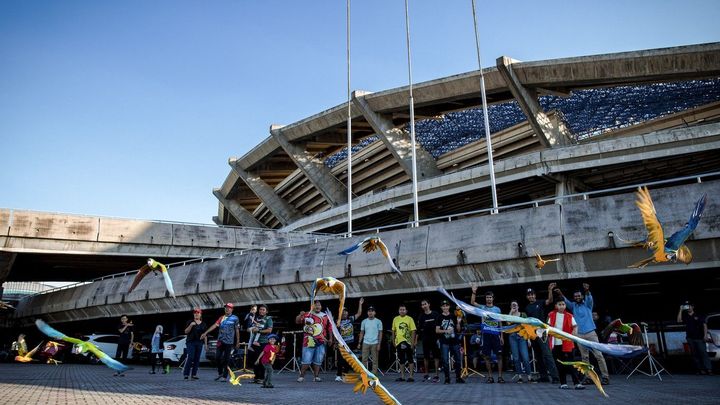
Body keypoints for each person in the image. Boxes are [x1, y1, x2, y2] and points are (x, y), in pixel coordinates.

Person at [557, 283, 610, 385]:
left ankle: (605, 377)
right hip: (580, 335)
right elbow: (566, 301)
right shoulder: (573, 306)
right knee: (584, 358)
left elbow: (589, 297)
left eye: (579, 295)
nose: (577, 297)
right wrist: (560, 293)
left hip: (591, 333)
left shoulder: (588, 304)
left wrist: (587, 290)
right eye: (575, 296)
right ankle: (588, 378)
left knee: (598, 355)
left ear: (582, 296)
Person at [525, 285, 560, 384]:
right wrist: (528, 336)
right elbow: (527, 323)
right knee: (538, 356)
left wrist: (549, 290)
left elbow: (550, 300)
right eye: (529, 295)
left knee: (547, 354)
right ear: (527, 297)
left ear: (535, 295)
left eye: (532, 294)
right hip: (533, 333)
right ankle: (544, 376)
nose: (531, 296)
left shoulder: (540, 302)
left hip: (542, 331)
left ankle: (555, 377)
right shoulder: (527, 307)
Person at [548, 300, 585, 390]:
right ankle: (563, 383)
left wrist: (573, 335)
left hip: (567, 343)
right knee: (560, 365)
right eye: (559, 304)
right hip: (556, 344)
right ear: (556, 305)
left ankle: (577, 383)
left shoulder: (569, 315)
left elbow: (575, 326)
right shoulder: (551, 315)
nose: (562, 306)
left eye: (563, 304)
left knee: (571, 364)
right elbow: (548, 327)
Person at [470, 285, 504, 383]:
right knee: (487, 356)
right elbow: (472, 303)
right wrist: (474, 292)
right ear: (485, 299)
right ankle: (490, 377)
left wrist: (502, 336)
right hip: (486, 335)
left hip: (496, 334)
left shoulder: (497, 309)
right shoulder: (482, 307)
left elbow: (500, 322)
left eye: (490, 297)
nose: (488, 299)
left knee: (499, 356)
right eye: (487, 297)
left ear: (493, 298)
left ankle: (500, 377)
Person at [201, 303, 240, 382]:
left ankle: (225, 376)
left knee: (226, 359)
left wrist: (238, 342)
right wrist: (205, 333)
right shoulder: (221, 318)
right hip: (220, 341)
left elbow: (237, 330)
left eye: (229, 308)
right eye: (226, 307)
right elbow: (214, 325)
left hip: (229, 342)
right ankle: (220, 373)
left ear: (232, 309)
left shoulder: (235, 318)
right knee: (217, 357)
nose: (227, 309)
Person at [296, 300, 332, 382]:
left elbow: (330, 328)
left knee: (318, 360)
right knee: (306, 360)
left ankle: (316, 377)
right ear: (312, 306)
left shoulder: (325, 316)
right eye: (315, 305)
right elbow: (297, 321)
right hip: (308, 341)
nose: (317, 306)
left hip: (321, 341)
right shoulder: (307, 314)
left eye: (319, 305)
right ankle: (301, 376)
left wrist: (330, 339)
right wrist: (300, 315)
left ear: (321, 306)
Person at [677, 302, 713, 375]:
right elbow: (678, 320)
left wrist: (705, 335)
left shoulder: (698, 315)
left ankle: (709, 369)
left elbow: (704, 325)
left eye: (689, 306)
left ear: (693, 307)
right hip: (690, 338)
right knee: (695, 354)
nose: (688, 308)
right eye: (687, 306)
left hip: (699, 337)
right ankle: (700, 369)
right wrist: (680, 310)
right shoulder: (686, 316)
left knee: (703, 353)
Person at [436, 300, 465, 384]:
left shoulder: (454, 315)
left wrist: (459, 322)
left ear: (449, 306)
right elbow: (437, 330)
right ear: (441, 307)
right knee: (445, 360)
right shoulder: (439, 317)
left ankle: (458, 377)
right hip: (444, 341)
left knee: (458, 359)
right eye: (443, 306)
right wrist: (446, 331)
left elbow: (458, 330)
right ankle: (447, 378)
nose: (445, 307)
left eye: (446, 305)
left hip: (454, 341)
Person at [335, 297, 364, 382]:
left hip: (350, 343)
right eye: (342, 311)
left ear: (347, 313)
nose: (344, 312)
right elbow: (334, 332)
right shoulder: (337, 321)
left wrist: (360, 304)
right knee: (340, 360)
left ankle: (345, 374)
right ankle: (338, 375)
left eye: (345, 311)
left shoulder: (350, 319)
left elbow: (359, 313)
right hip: (341, 343)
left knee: (349, 359)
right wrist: (335, 342)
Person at [391, 303, 417, 382]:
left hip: (408, 342)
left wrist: (412, 343)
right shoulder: (395, 319)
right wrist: (393, 341)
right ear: (398, 311)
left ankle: (411, 376)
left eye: (403, 310)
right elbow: (393, 330)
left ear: (406, 311)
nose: (402, 311)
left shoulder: (409, 319)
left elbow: (413, 331)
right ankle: (402, 376)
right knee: (401, 359)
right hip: (399, 342)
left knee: (410, 359)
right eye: (400, 310)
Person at [417, 299, 441, 383]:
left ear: (429, 304)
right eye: (422, 305)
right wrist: (416, 340)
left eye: (425, 304)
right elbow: (419, 329)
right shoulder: (421, 316)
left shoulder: (436, 314)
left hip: (435, 339)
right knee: (426, 357)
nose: (424, 306)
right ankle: (426, 374)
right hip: (425, 339)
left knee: (436, 357)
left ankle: (436, 375)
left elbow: (439, 326)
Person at [249, 304, 273, 383]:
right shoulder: (256, 318)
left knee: (261, 360)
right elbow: (250, 328)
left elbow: (269, 330)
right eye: (260, 309)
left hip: (263, 343)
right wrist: (251, 329)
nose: (261, 311)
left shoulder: (268, 319)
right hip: (254, 342)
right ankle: (256, 377)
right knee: (254, 360)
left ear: (266, 311)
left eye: (263, 310)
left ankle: (262, 378)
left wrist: (258, 331)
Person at [507, 300, 531, 383]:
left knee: (525, 357)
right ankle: (520, 376)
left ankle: (529, 376)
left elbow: (527, 327)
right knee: (516, 358)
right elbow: (508, 322)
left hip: (522, 336)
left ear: (518, 306)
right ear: (510, 307)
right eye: (512, 305)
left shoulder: (523, 314)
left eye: (515, 305)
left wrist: (528, 339)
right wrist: (511, 312)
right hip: (512, 336)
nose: (514, 306)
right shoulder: (509, 315)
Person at [357, 306, 383, 375]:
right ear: (367, 312)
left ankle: (373, 375)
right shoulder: (364, 321)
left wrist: (379, 344)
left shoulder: (378, 321)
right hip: (365, 342)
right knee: (364, 360)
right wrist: (359, 343)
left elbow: (380, 333)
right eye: (369, 311)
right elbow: (362, 332)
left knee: (375, 360)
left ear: (375, 312)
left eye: (372, 311)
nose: (370, 312)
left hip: (375, 343)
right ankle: (364, 375)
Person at [183, 308, 207, 380]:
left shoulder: (203, 324)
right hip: (190, 342)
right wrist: (191, 325)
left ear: (200, 314)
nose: (196, 314)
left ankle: (194, 374)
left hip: (199, 342)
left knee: (197, 358)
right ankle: (186, 374)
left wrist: (205, 344)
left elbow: (205, 335)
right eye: (195, 312)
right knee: (191, 357)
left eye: (198, 312)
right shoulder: (190, 321)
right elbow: (186, 332)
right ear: (193, 314)